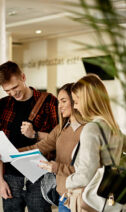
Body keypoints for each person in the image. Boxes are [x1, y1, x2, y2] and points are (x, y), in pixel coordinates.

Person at [0, 61, 58, 212]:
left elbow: (59, 139)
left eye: (15, 87)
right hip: (10, 177)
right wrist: (0, 180)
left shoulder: (49, 102)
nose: (13, 93)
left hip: (39, 176)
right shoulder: (2, 105)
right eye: (8, 90)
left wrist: (35, 134)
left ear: (23, 77)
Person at [15, 83, 85, 212]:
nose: (60, 106)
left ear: (75, 100)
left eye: (63, 101)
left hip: (82, 196)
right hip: (64, 196)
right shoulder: (61, 128)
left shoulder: (88, 129)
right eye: (59, 102)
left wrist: (55, 167)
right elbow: (38, 147)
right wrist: (11, 153)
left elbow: (87, 169)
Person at [65, 74, 124, 211]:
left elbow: (86, 175)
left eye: (76, 101)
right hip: (111, 199)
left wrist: (68, 181)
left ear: (88, 101)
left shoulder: (91, 128)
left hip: (90, 199)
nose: (75, 107)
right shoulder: (114, 128)